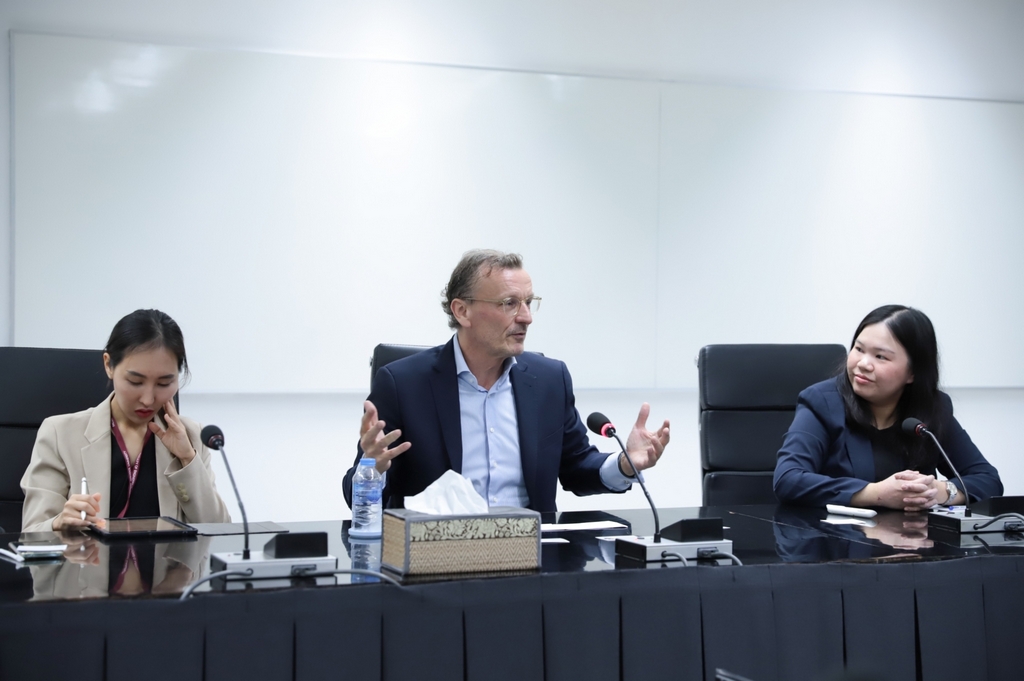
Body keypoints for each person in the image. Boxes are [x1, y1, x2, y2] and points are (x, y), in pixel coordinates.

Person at [343, 249, 671, 513]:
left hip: (531, 558)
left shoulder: (548, 380)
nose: (526, 317)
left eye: (529, 302)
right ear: (462, 311)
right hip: (438, 558)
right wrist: (373, 470)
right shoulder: (403, 384)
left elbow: (576, 466)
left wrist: (624, 464)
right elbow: (354, 493)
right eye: (509, 303)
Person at [21, 309, 231, 533]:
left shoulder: (192, 436)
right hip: (89, 557)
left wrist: (187, 459)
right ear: (108, 365)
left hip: (165, 558)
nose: (148, 399)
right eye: (135, 382)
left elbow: (219, 532)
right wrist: (59, 522)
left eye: (163, 384)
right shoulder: (60, 434)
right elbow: (32, 532)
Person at [774, 304, 1002, 510]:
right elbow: (788, 479)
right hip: (834, 538)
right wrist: (877, 494)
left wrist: (939, 492)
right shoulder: (821, 402)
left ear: (913, 373)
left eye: (880, 356)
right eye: (859, 349)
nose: (863, 364)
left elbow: (988, 479)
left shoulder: (933, 409)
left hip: (914, 539)